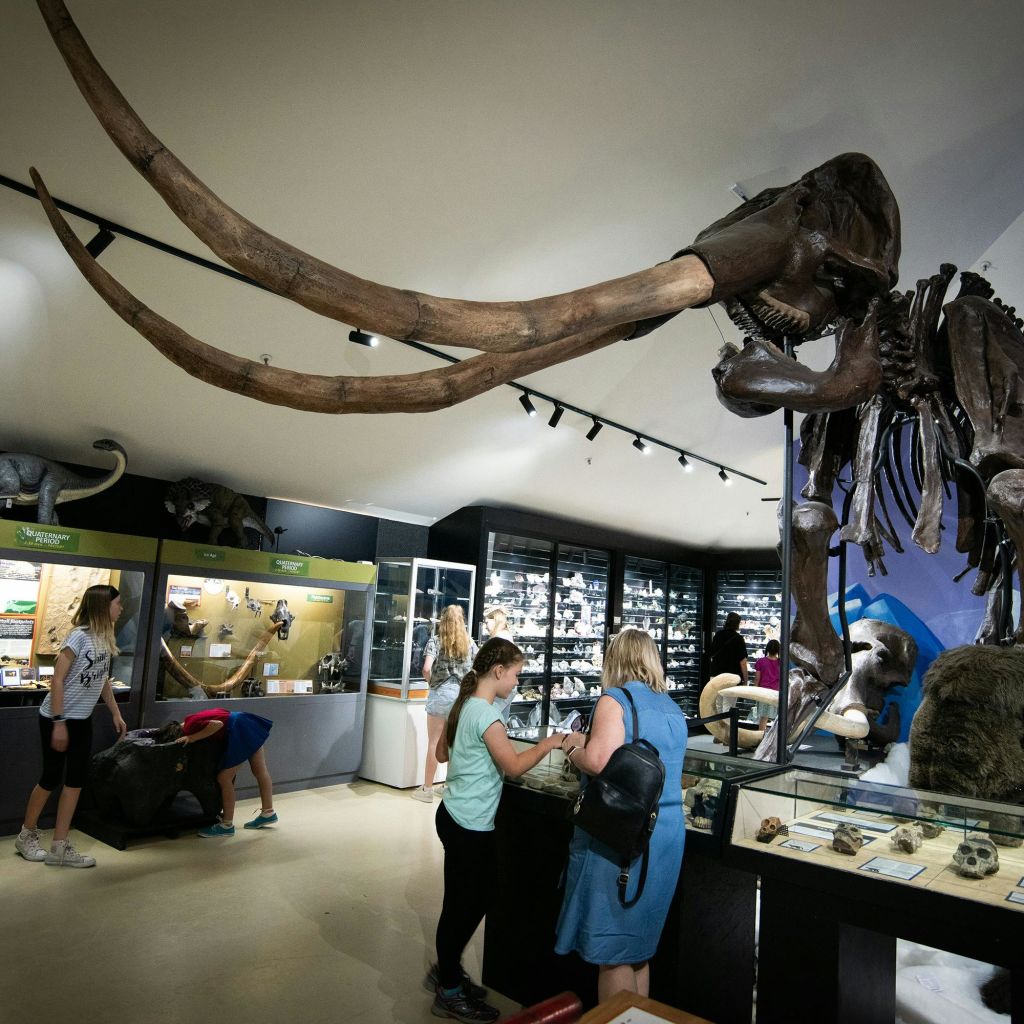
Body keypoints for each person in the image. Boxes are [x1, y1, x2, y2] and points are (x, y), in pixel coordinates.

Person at [427, 638, 563, 1023]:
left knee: (471, 899)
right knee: (463, 905)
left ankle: (447, 969)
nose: (517, 682)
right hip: (469, 824)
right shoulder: (487, 715)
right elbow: (514, 766)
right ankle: (448, 988)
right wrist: (550, 743)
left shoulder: (466, 706)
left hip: (455, 814)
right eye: (516, 674)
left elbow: (441, 753)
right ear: (499, 671)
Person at [556, 629, 687, 1002]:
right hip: (665, 835)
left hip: (621, 838)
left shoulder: (615, 700)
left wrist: (571, 747)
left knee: (611, 953)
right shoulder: (672, 707)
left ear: (616, 658)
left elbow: (599, 760)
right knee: (638, 949)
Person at [15, 584, 128, 868]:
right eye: (117, 603)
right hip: (57, 718)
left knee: (75, 781)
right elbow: (57, 680)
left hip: (81, 720)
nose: (121, 608)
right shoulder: (79, 637)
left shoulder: (105, 638)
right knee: (50, 777)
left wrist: (115, 713)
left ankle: (59, 846)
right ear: (103, 606)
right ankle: (26, 835)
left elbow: (102, 680)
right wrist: (59, 722)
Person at [175, 707, 277, 836]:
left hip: (238, 730)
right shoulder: (191, 718)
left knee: (224, 778)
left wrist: (192, 737)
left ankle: (226, 825)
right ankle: (268, 812)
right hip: (246, 723)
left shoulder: (190, 726)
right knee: (260, 770)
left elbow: (217, 724)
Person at [414, 605, 477, 804]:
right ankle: (448, 787)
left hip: (440, 693)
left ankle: (427, 789)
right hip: (461, 697)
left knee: (434, 742)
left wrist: (432, 683)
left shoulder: (436, 640)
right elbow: (477, 669)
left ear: (443, 620)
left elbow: (426, 668)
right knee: (453, 744)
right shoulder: (469, 642)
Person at [483, 605, 515, 723]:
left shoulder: (500, 638)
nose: (485, 626)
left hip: (500, 686)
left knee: (492, 720)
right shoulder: (506, 635)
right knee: (500, 720)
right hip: (505, 685)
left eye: (487, 622)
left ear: (495, 620)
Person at [709, 611, 748, 683]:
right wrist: (745, 681)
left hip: (717, 674)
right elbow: (743, 662)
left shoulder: (718, 635)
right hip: (733, 676)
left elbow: (711, 652)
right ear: (737, 624)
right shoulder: (739, 638)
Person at [753, 638, 781, 729]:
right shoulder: (781, 663)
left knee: (763, 717)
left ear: (767, 649)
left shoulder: (760, 661)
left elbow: (757, 679)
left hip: (763, 692)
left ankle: (761, 735)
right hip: (775, 693)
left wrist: (754, 691)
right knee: (777, 717)